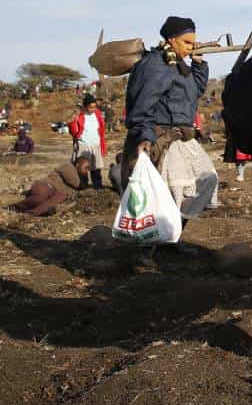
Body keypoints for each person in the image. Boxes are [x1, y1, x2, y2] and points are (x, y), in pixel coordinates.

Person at [121, 16, 219, 252]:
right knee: (160, 195)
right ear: (171, 39)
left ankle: (171, 237)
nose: (190, 46)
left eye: (192, 43)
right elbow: (142, 102)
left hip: (183, 139)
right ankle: (146, 250)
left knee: (205, 180)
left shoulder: (179, 64)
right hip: (160, 137)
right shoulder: (155, 64)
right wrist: (145, 135)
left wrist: (198, 64)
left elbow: (194, 92)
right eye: (186, 42)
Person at [10, 153, 93, 216]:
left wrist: (84, 177)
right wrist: (84, 179)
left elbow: (82, 187)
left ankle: (31, 213)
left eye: (89, 169)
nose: (87, 171)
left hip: (57, 192)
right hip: (46, 185)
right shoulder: (68, 167)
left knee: (52, 202)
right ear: (77, 164)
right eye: (86, 168)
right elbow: (77, 184)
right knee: (38, 200)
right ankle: (16, 207)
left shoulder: (79, 177)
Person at [68, 94, 107, 189]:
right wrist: (73, 122)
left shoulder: (98, 114)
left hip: (95, 144)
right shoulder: (79, 116)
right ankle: (83, 186)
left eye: (94, 107)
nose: (93, 109)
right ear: (85, 106)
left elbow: (101, 129)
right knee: (82, 168)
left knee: (96, 168)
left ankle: (98, 186)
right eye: (90, 107)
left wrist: (102, 144)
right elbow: (74, 132)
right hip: (83, 145)